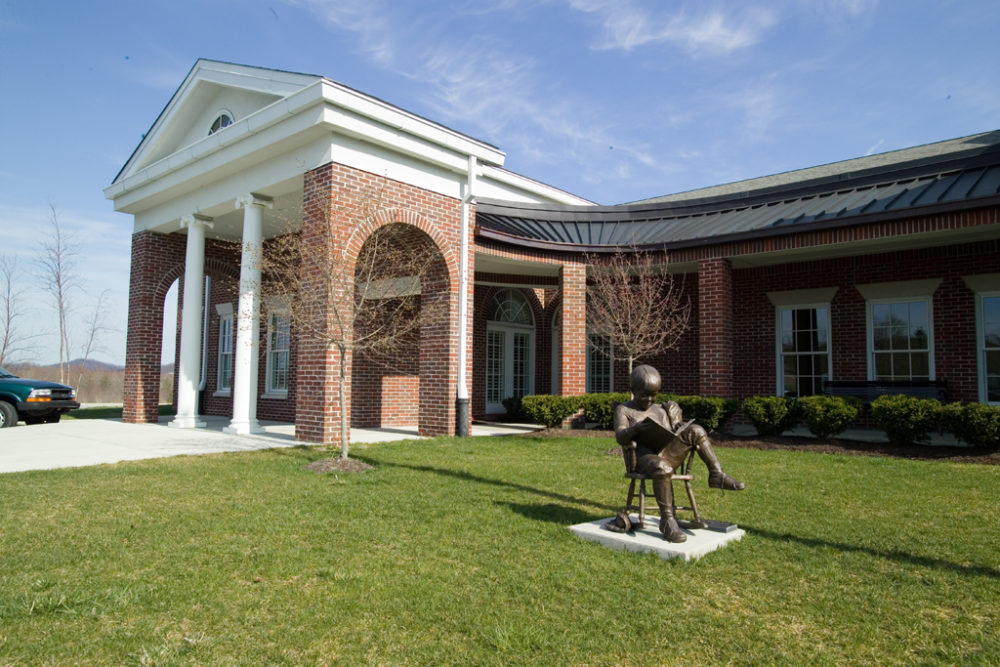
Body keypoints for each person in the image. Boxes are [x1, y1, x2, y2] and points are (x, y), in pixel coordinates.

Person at [614, 364, 744, 543]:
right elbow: (620, 437)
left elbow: (672, 434)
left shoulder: (660, 409)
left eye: (654, 394)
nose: (650, 399)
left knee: (696, 430)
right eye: (645, 394)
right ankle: (667, 520)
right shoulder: (624, 410)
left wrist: (677, 422)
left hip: (667, 454)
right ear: (633, 390)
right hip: (644, 459)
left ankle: (716, 474)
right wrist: (636, 428)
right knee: (662, 467)